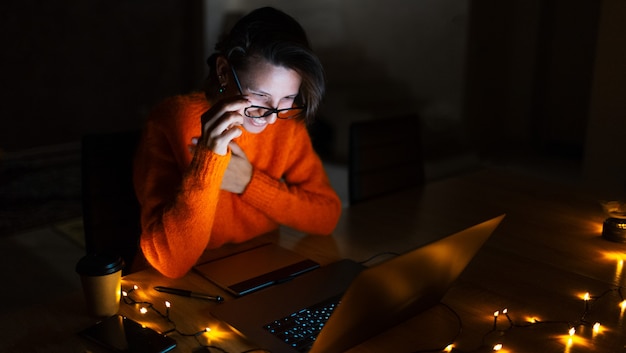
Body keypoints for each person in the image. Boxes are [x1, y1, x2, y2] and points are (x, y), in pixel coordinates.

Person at [133, 7, 342, 278]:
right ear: (223, 71)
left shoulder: (286, 124)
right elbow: (170, 263)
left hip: (257, 268)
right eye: (259, 96)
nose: (270, 118)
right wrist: (208, 159)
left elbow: (327, 216)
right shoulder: (173, 121)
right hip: (178, 284)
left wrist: (247, 182)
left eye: (288, 98)